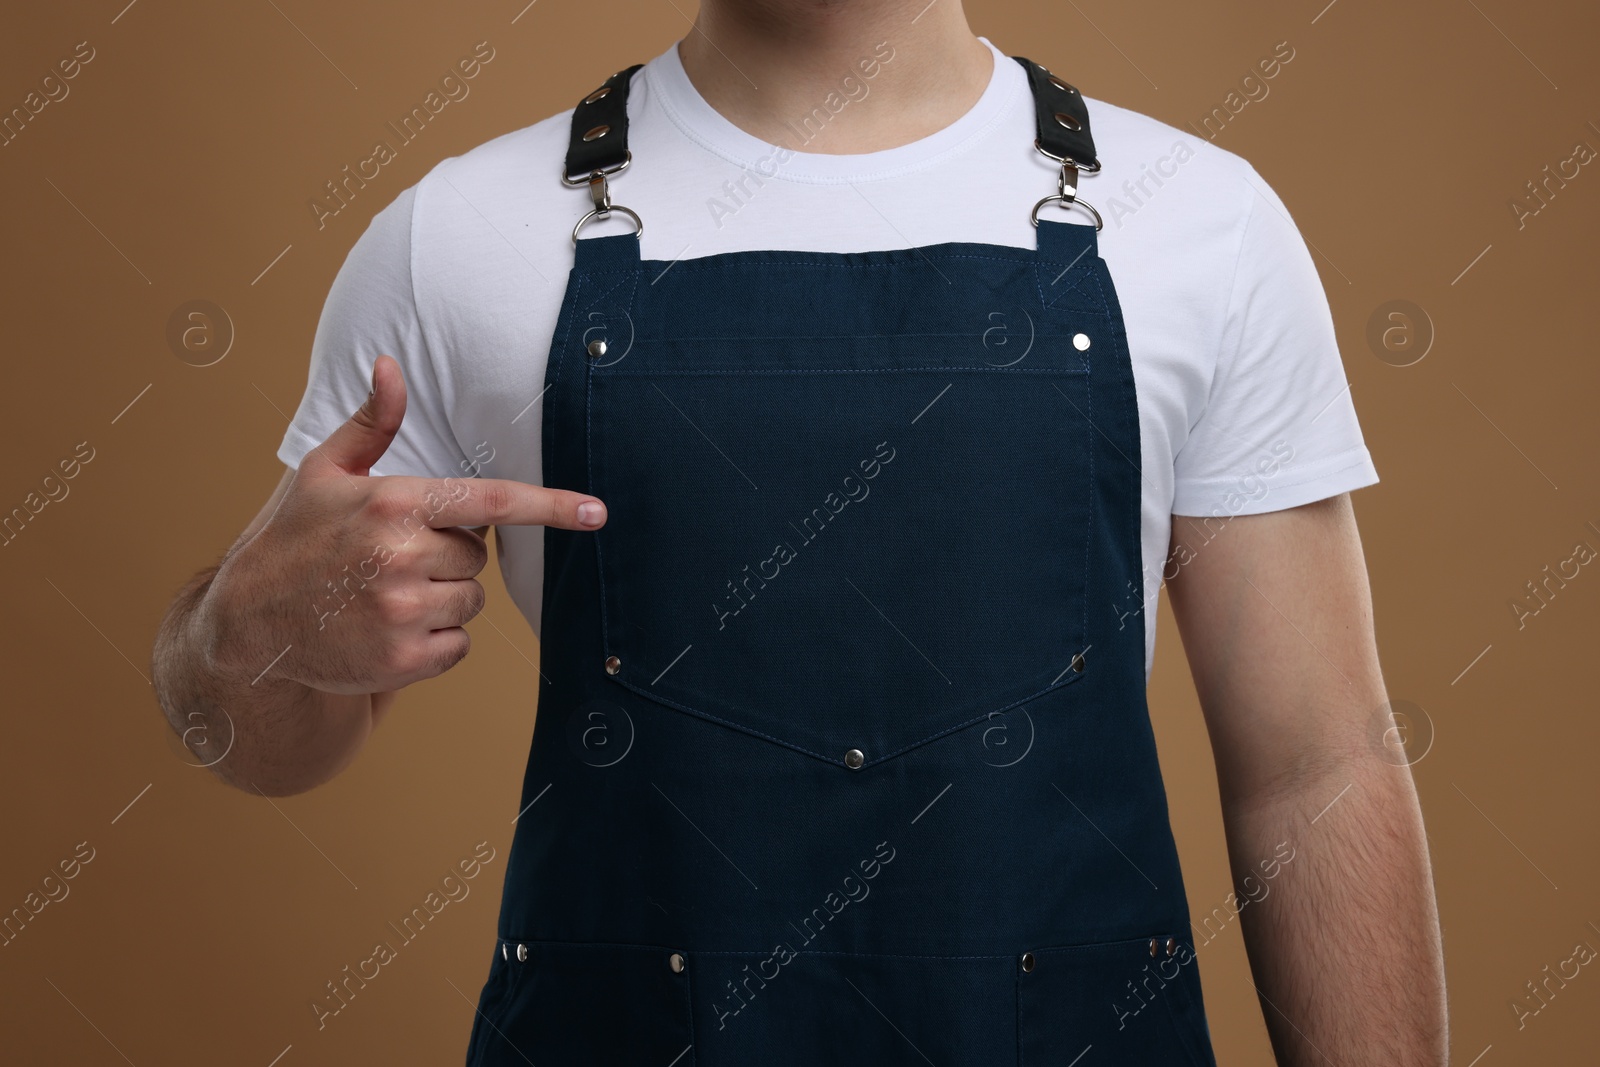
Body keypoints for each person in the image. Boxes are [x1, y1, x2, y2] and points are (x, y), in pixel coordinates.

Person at [151, 1, 1448, 1063]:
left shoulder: (1205, 229)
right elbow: (264, 748)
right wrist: (237, 635)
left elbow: (1317, 765)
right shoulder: (457, 239)